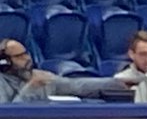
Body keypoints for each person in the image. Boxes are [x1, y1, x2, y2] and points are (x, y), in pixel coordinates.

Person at [0, 39, 134, 102]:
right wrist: (31, 88)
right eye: (20, 56)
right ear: (5, 63)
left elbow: (77, 86)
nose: (27, 59)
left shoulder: (40, 77)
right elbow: (6, 115)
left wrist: (116, 82)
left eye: (26, 53)